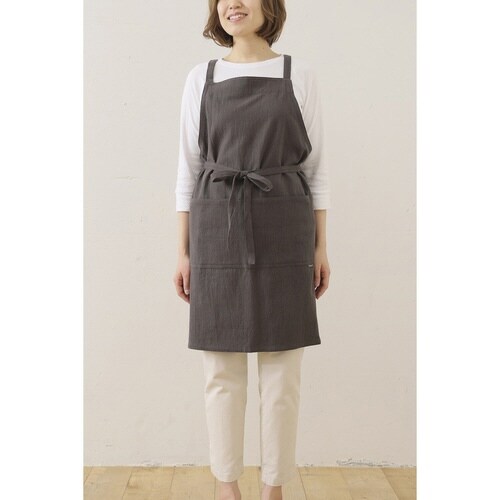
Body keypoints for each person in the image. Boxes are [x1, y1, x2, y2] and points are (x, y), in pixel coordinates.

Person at [173, 1, 331, 499]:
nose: (232, 3)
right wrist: (183, 251)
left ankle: (273, 487)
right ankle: (227, 486)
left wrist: (321, 247)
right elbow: (187, 170)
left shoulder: (299, 75)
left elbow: (317, 170)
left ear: (270, 6)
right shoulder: (201, 78)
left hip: (285, 222)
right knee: (221, 367)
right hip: (216, 223)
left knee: (283, 370)